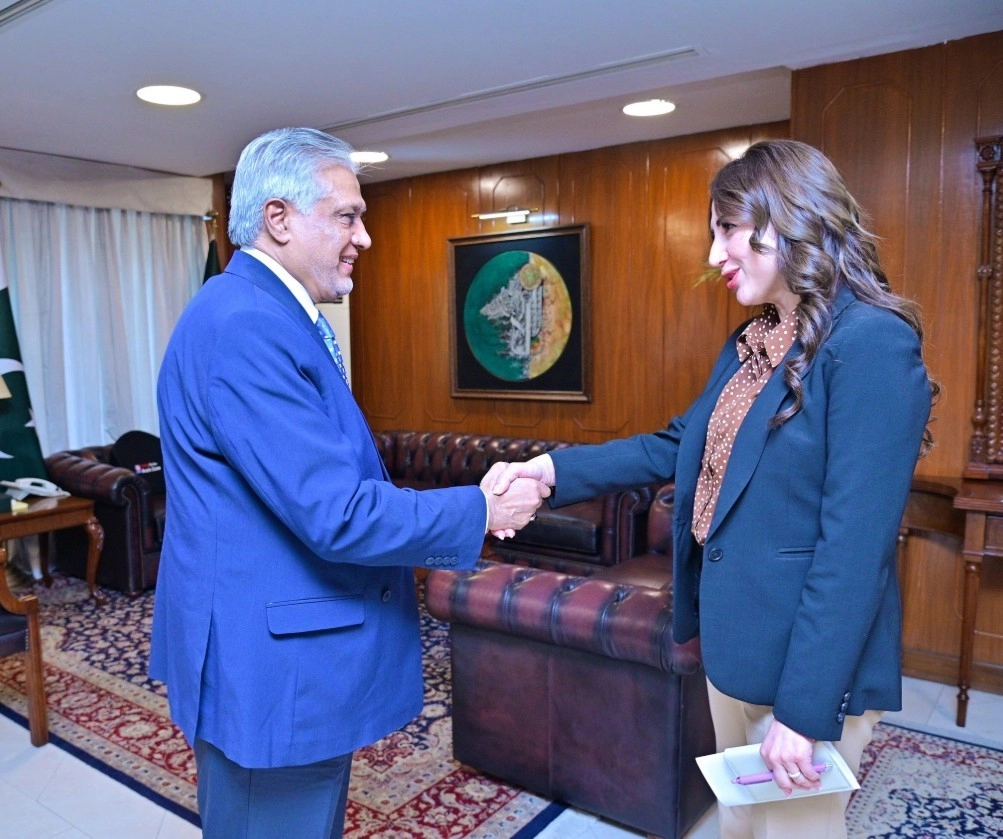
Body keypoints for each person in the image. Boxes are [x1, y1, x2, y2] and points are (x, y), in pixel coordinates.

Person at [491, 139, 936, 839]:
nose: (713, 254)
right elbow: (679, 444)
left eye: (726, 229)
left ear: (788, 216)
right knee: (740, 825)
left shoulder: (871, 342)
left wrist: (802, 710)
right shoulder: (754, 339)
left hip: (804, 666)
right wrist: (551, 471)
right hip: (736, 646)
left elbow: (854, 551)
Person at [150, 126, 549, 838]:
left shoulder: (259, 313)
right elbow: (335, 512)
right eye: (347, 216)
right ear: (278, 219)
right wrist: (481, 509)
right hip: (271, 669)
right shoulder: (246, 325)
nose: (363, 237)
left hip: (275, 656)